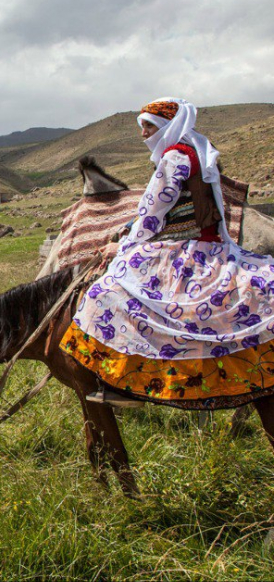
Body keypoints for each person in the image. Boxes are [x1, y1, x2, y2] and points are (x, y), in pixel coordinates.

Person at [60, 98, 274, 407]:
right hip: (208, 244)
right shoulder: (196, 152)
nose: (142, 132)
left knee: (105, 293)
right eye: (141, 126)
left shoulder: (174, 158)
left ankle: (119, 383)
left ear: (165, 126)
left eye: (148, 126)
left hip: (186, 250)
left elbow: (151, 215)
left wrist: (121, 245)